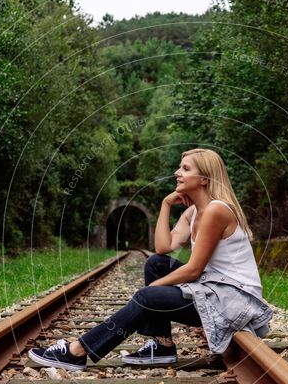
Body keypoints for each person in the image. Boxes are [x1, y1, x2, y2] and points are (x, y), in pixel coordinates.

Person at [27, 148, 273, 370]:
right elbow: (163, 247)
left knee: (147, 296)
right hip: (214, 290)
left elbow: (193, 270)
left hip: (234, 300)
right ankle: (163, 345)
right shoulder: (193, 212)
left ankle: (77, 350)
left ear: (203, 179)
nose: (177, 172)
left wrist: (151, 292)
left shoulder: (216, 211)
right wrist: (166, 204)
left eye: (186, 169)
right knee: (155, 263)